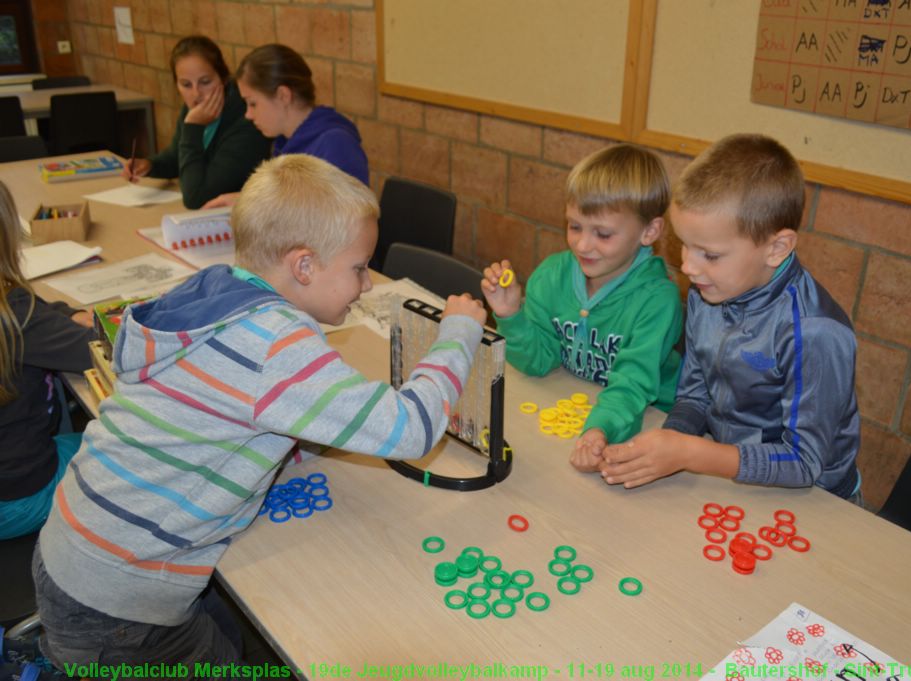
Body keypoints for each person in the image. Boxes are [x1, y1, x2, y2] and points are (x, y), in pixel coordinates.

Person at [33, 155, 487, 669]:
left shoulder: (216, 289)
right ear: (304, 265)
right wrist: (458, 333)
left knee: (231, 631)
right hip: (118, 606)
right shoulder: (275, 343)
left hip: (74, 549)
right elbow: (410, 431)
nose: (367, 286)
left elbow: (223, 406)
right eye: (359, 268)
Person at [601, 133, 862, 502]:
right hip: (731, 476)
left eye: (709, 254)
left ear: (776, 248)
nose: (688, 267)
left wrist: (690, 453)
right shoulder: (707, 292)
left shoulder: (816, 333)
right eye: (684, 245)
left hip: (817, 501)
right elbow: (695, 393)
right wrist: (671, 441)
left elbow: (805, 463)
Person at [481, 144, 683, 472]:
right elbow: (538, 361)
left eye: (603, 234)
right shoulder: (551, 275)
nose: (582, 245)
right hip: (579, 403)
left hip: (647, 419)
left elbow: (633, 384)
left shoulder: (658, 301)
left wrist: (600, 428)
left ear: (649, 231)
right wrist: (510, 316)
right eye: (574, 226)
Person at [0, 180, 95, 540]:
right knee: (134, 454)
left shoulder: (15, 309)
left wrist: (67, 313)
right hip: (19, 497)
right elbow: (97, 352)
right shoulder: (15, 316)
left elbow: (34, 309)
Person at [202, 44, 369, 208]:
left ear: (283, 95)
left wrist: (254, 204)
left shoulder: (336, 145)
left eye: (252, 103)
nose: (248, 115)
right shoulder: (284, 143)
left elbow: (345, 223)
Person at [121, 35, 269, 209]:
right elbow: (180, 157)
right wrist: (151, 165)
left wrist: (192, 127)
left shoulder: (247, 119)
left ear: (223, 78)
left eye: (205, 82)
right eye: (186, 84)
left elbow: (196, 197)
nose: (196, 94)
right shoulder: (195, 110)